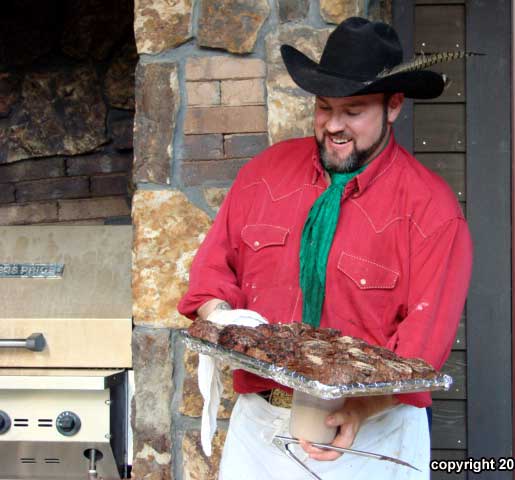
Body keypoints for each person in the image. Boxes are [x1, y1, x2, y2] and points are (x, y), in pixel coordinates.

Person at [178, 16, 472, 479]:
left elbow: (420, 353)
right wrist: (223, 316)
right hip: (260, 427)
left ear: (393, 106)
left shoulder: (431, 210)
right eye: (323, 107)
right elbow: (212, 274)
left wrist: (359, 409)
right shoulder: (263, 175)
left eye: (353, 111)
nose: (333, 125)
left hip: (372, 431)